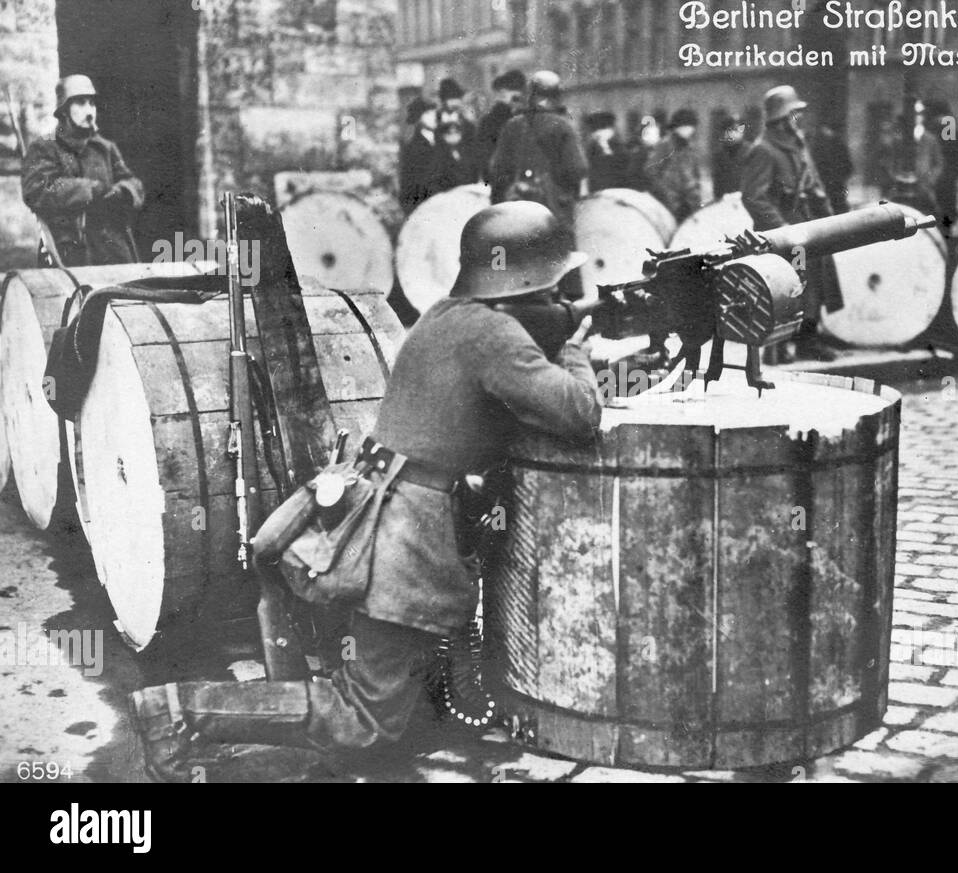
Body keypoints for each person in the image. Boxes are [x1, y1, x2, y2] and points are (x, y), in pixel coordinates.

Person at [128, 202, 603, 782]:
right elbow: (579, 413)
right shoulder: (495, 336)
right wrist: (575, 345)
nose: (559, 296)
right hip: (406, 544)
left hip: (375, 517)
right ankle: (179, 712)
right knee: (365, 721)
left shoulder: (445, 317)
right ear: (532, 280)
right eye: (556, 285)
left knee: (403, 704)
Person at [740, 84, 841, 362]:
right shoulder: (763, 150)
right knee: (788, 288)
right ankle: (780, 346)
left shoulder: (797, 145)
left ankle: (808, 340)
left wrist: (829, 217)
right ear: (780, 118)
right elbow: (753, 197)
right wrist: (782, 229)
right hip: (783, 232)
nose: (799, 118)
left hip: (807, 226)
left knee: (814, 284)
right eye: (794, 113)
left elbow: (814, 183)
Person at [21, 75, 144, 266]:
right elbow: (37, 190)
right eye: (80, 103)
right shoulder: (44, 147)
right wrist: (91, 190)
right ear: (64, 109)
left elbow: (133, 183)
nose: (89, 111)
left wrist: (123, 191)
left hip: (111, 250)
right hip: (68, 252)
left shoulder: (105, 148)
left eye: (92, 103)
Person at [489, 70, 587, 299]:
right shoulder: (563, 126)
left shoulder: (512, 126)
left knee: (521, 260)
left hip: (517, 205)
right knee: (562, 261)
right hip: (553, 209)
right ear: (556, 96)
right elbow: (577, 169)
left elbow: (497, 170)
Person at [645, 108, 704, 223]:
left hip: (690, 202)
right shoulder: (665, 145)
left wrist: (697, 198)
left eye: (691, 127)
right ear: (676, 127)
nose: (688, 130)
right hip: (668, 203)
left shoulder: (691, 148)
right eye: (684, 126)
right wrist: (668, 195)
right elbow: (651, 171)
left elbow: (696, 175)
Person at [479, 69, 526, 198]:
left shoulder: (488, 120)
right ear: (501, 93)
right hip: (505, 184)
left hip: (507, 184)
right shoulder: (490, 121)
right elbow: (486, 156)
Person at [926, 99, 958, 237]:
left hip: (940, 171)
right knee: (947, 205)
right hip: (949, 171)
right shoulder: (950, 122)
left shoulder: (941, 123)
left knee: (937, 203)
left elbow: (946, 147)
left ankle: (940, 231)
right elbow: (954, 148)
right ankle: (946, 231)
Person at [398, 96, 443, 214]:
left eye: (435, 113)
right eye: (428, 113)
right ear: (418, 118)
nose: (434, 117)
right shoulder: (413, 147)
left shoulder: (442, 141)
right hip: (423, 206)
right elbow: (409, 184)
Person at [427, 118, 480, 196]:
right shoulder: (438, 155)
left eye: (457, 133)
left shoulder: (465, 153)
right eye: (449, 133)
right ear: (443, 136)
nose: (454, 136)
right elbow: (437, 181)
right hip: (448, 195)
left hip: (467, 194)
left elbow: (473, 173)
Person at [810, 120, 853, 215]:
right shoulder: (822, 144)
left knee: (836, 206)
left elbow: (848, 164)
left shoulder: (821, 144)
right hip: (832, 182)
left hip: (832, 182)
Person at [585, 111, 629, 192]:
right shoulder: (591, 148)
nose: (597, 134)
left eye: (602, 129)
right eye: (594, 131)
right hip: (597, 191)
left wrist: (605, 147)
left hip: (617, 190)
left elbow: (622, 166)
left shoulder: (618, 146)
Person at [711, 114, 749, 197]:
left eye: (738, 130)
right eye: (730, 130)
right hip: (724, 201)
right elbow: (717, 184)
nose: (734, 133)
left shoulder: (751, 152)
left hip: (745, 201)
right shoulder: (719, 155)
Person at [625, 115, 661, 193]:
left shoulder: (656, 151)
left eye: (657, 134)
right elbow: (633, 175)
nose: (657, 137)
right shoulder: (639, 154)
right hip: (642, 193)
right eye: (653, 134)